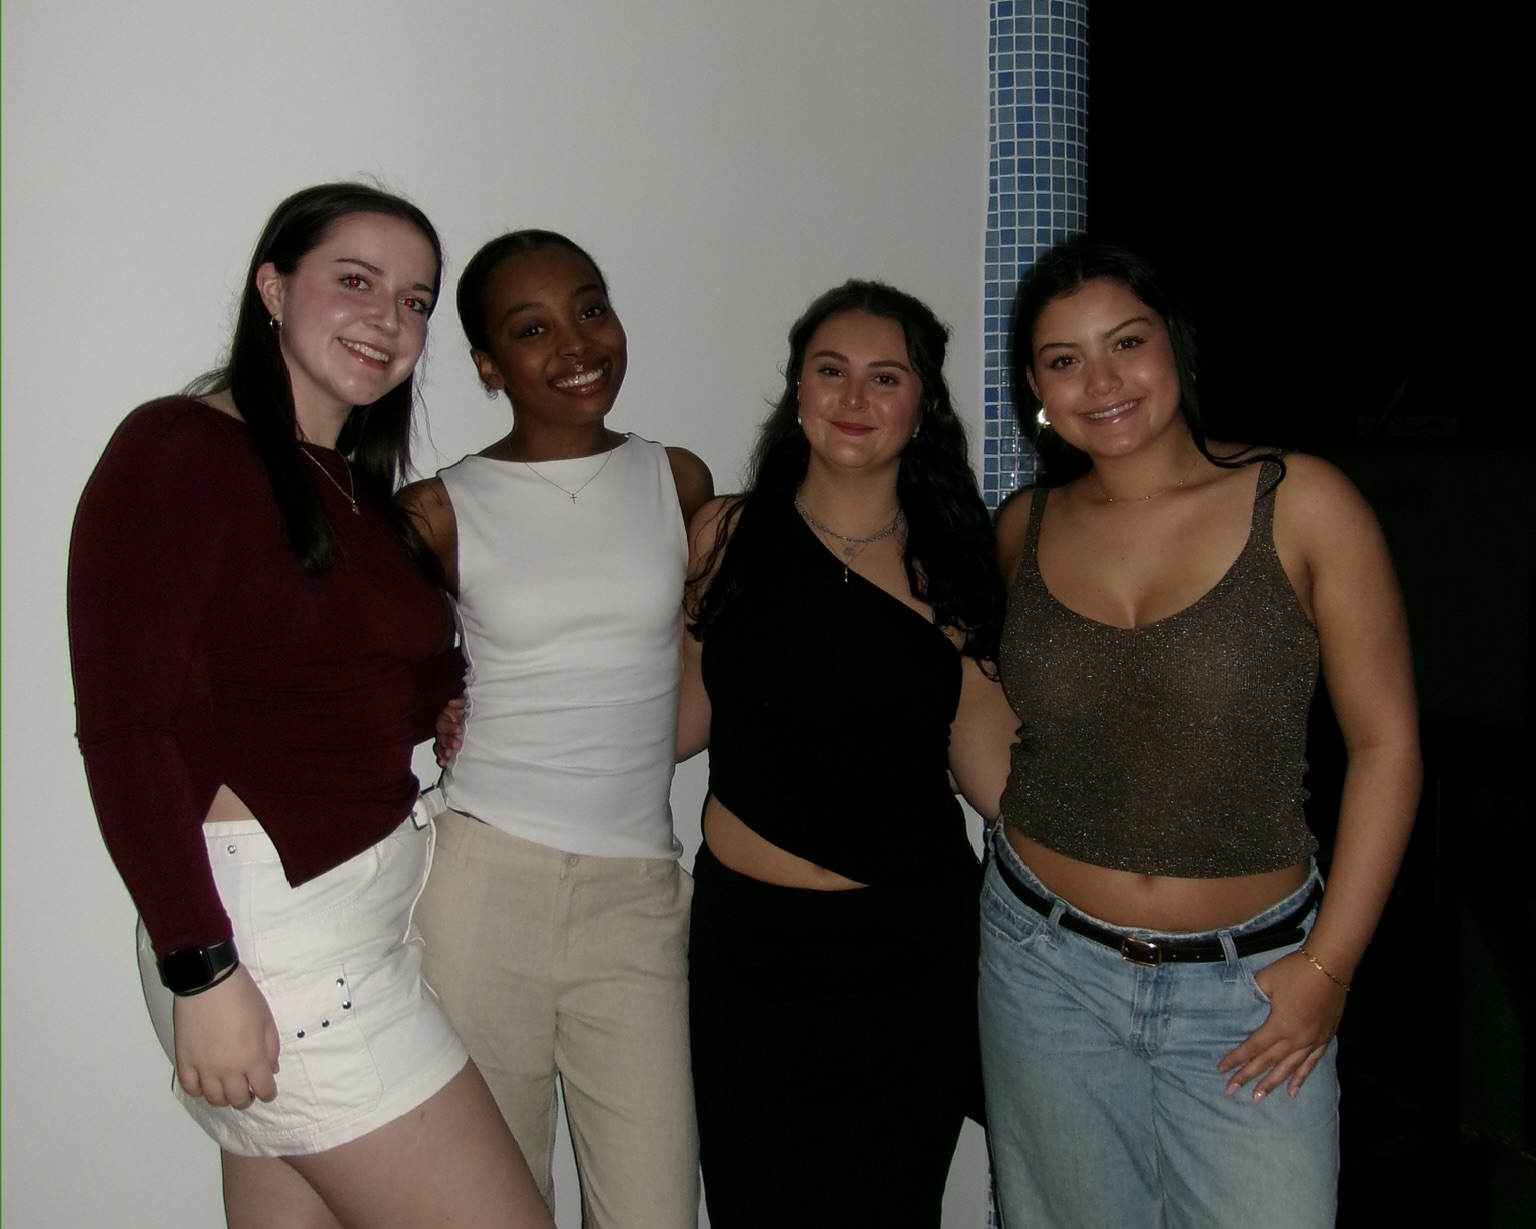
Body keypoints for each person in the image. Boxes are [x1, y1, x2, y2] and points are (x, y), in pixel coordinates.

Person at [67, 183, 553, 1229]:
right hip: (275, 952)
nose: (390, 318)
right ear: (272, 287)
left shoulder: (341, 482)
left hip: (341, 935)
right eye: (356, 281)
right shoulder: (178, 449)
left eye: (416, 299)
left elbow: (359, 664)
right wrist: (200, 969)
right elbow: (125, 731)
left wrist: (446, 697)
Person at [980, 236, 1421, 1228]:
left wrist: (1329, 967)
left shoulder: (1300, 500)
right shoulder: (1023, 528)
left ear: (1172, 345)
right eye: (1064, 359)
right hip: (1043, 962)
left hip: (1256, 984)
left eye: (1126, 342)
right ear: (1036, 388)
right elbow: (1020, 716)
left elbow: (1388, 744)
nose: (1103, 381)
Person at [679, 280, 1017, 1228]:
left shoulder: (954, 563)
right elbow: (673, 720)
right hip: (745, 952)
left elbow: (996, 779)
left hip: (908, 956)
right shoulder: (727, 535)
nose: (854, 398)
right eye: (831, 372)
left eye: (885, 376)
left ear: (922, 406)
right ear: (798, 391)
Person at [399, 229, 714, 1228]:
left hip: (638, 894)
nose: (577, 342)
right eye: (531, 328)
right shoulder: (439, 508)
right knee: (493, 1204)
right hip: (485, 886)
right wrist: (433, 701)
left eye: (590, 306)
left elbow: (683, 696)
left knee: (655, 1208)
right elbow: (363, 669)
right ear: (490, 366)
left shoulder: (678, 480)